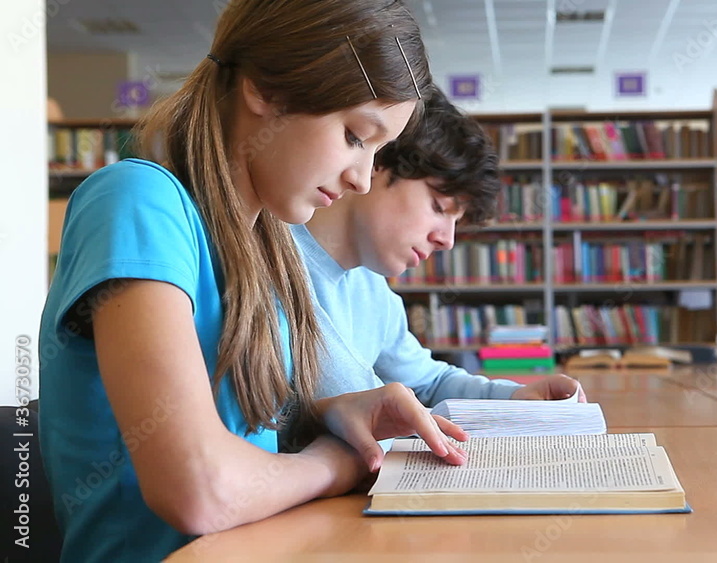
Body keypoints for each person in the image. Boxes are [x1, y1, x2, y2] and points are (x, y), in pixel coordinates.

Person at [38, 1, 465, 561]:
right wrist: (335, 462)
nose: (363, 178)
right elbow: (200, 489)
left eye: (379, 152)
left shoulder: (262, 248)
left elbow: (238, 432)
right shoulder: (136, 201)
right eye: (356, 136)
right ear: (267, 90)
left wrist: (330, 413)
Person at [290, 86, 586, 422]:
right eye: (439, 207)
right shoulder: (270, 261)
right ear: (378, 161)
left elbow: (429, 382)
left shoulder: (374, 291)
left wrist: (515, 396)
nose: (447, 240)